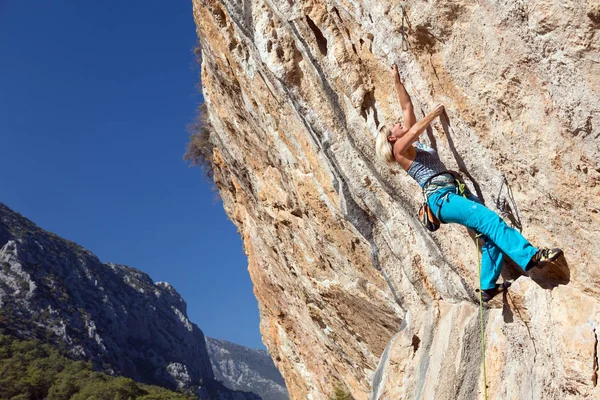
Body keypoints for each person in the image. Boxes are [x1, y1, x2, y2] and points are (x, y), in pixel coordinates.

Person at [375, 64, 563, 301]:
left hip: (453, 194)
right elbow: (413, 130)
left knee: (488, 235)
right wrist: (433, 114)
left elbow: (407, 106)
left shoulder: (411, 147)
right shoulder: (401, 150)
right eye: (395, 125)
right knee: (490, 220)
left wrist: (396, 79)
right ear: (392, 138)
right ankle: (533, 256)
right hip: (442, 199)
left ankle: (487, 286)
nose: (399, 123)